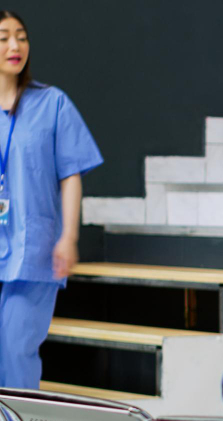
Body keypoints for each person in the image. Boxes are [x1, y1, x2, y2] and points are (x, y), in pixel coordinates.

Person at [0, 12, 102, 389]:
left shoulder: (52, 103)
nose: (15, 46)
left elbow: (70, 173)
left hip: (34, 251)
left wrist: (69, 236)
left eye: (22, 37)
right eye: (4, 37)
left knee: (15, 350)